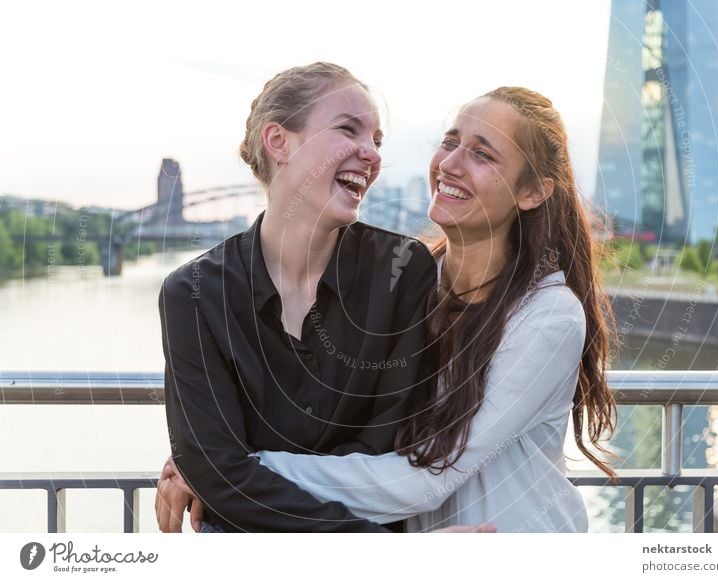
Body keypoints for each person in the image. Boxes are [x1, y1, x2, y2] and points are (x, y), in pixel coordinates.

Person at [170, 86, 618, 532]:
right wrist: (209, 452)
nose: (450, 164)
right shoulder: (411, 278)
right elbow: (352, 425)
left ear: (533, 193)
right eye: (449, 142)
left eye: (482, 155)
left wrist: (232, 470)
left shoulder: (546, 316)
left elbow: (426, 477)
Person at [156, 62, 482, 533]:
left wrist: (236, 476)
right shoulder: (192, 293)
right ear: (279, 141)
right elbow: (215, 468)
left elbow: (391, 443)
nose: (370, 154)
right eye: (349, 129)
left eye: (377, 141)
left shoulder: (402, 270)